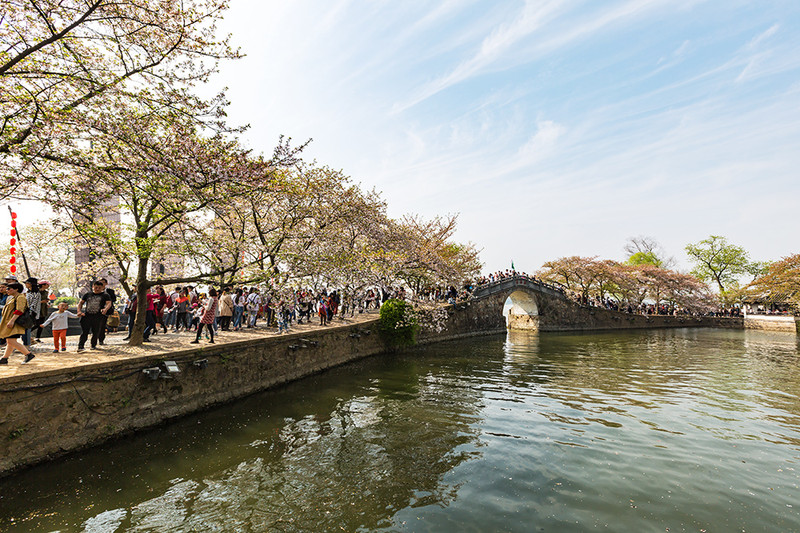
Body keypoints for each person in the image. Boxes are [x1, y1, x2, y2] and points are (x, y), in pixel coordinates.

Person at [0, 282, 35, 364]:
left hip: (15, 323)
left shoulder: (20, 297)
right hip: (10, 322)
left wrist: (12, 321)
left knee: (11, 341)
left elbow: (19, 310)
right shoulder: (12, 298)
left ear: (16, 289)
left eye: (9, 288)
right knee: (10, 341)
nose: (7, 290)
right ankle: (4, 358)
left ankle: (28, 354)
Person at [76, 281, 112, 352]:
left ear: (102, 288)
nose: (97, 289)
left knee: (96, 331)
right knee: (84, 331)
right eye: (96, 287)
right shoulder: (88, 294)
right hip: (87, 315)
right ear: (93, 287)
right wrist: (79, 311)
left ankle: (93, 345)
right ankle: (81, 346)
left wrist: (105, 309)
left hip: (98, 316)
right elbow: (81, 303)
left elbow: (109, 303)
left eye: (99, 288)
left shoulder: (105, 295)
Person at [23, 277, 41, 347]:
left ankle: (27, 344)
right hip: (26, 312)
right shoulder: (28, 292)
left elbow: (34, 305)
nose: (26, 285)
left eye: (27, 283)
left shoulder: (36, 293)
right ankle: (28, 342)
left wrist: (30, 313)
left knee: (27, 329)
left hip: (31, 313)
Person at [97, 278, 116, 345]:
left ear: (106, 283)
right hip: (97, 310)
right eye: (100, 282)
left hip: (106, 310)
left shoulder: (109, 291)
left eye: (103, 282)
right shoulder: (96, 291)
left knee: (102, 325)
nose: (101, 284)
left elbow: (114, 299)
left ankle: (101, 339)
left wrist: (107, 300)